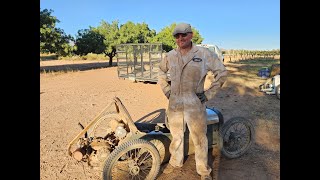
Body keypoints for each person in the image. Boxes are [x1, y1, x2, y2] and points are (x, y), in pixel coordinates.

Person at [158, 23, 228, 180]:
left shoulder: (203, 54)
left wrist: (209, 94)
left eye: (183, 34)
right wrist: (167, 90)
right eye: (177, 36)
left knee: (199, 138)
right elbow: (161, 72)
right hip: (175, 104)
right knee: (176, 135)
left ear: (191, 35)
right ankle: (176, 162)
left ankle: (203, 171)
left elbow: (222, 73)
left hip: (194, 103)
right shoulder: (170, 56)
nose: (180, 38)